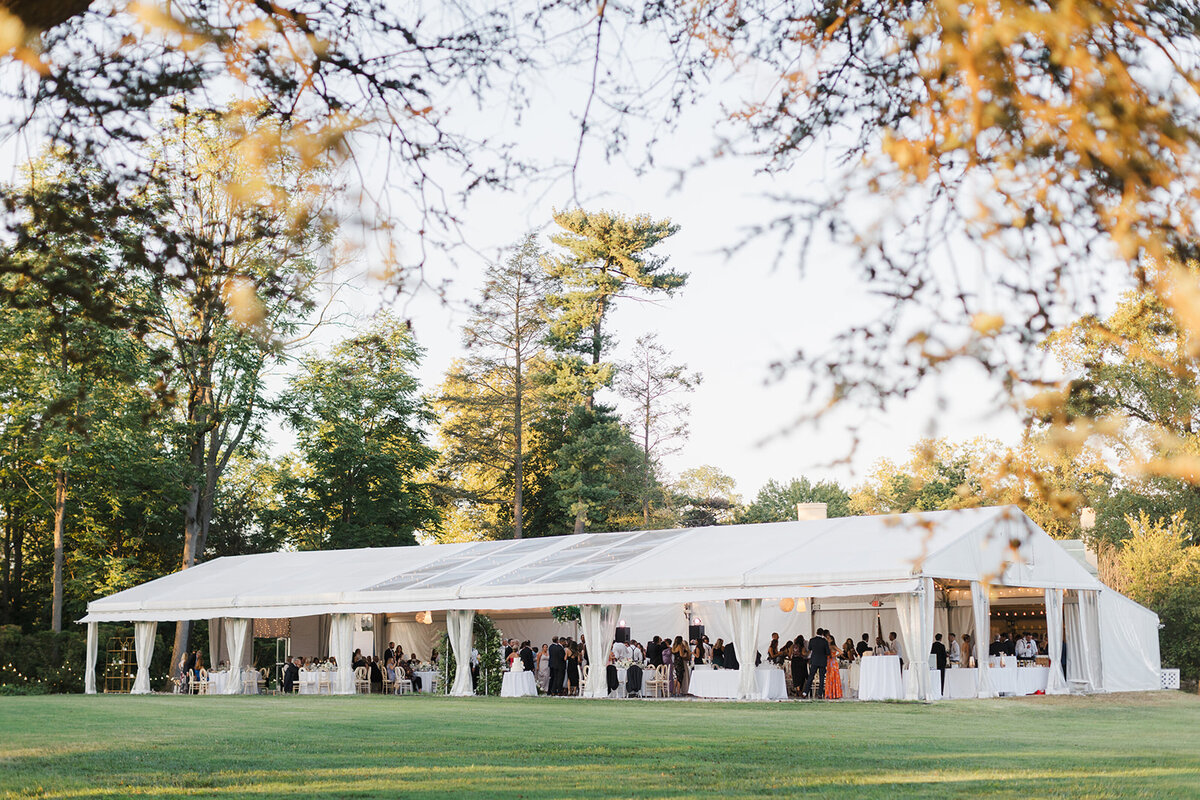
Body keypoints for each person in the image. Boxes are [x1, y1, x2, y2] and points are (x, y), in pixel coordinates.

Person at [805, 628, 830, 699]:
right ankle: (820, 694)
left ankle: (805, 692)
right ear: (822, 634)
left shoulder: (812, 640)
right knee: (822, 678)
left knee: (811, 677)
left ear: (816, 632)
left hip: (814, 661)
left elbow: (810, 648)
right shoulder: (824, 641)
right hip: (822, 661)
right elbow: (828, 652)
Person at [824, 632, 843, 699]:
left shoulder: (833, 646)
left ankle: (834, 693)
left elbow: (841, 652)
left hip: (833, 662)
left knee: (833, 677)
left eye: (828, 638)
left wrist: (835, 656)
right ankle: (830, 693)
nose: (827, 639)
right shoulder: (826, 646)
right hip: (828, 662)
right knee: (829, 677)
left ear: (831, 640)